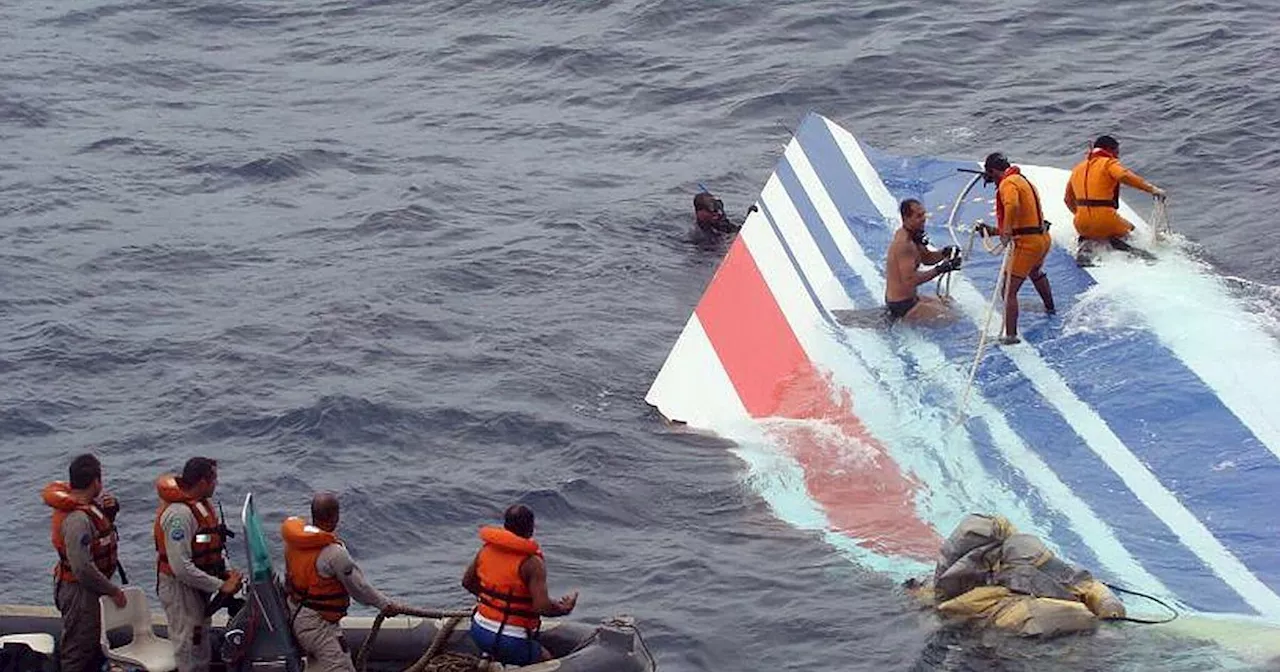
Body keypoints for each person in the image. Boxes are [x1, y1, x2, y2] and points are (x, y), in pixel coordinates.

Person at [282, 493, 408, 672]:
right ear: (335, 517)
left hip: (297, 617)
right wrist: (385, 605)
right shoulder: (334, 554)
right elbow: (359, 589)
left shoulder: (294, 545)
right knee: (341, 667)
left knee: (319, 665)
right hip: (318, 625)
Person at [154, 457, 243, 672]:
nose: (216, 484)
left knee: (199, 640)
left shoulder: (202, 508)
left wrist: (227, 571)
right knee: (188, 645)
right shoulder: (179, 515)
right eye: (214, 479)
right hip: (180, 589)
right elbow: (181, 567)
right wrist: (220, 585)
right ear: (203, 482)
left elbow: (209, 543)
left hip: (199, 585)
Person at [461, 505, 577, 666]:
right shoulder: (532, 562)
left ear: (505, 525)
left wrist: (494, 602)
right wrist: (564, 609)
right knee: (547, 662)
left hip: (478, 631)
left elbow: (467, 582)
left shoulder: (486, 549)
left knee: (507, 647)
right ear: (531, 529)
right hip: (509, 640)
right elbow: (541, 607)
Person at [43, 454, 127, 672]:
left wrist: (110, 513)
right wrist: (113, 591)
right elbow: (82, 567)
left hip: (90, 589)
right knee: (77, 650)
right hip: (79, 592)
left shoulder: (90, 508)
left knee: (91, 646)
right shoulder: (77, 520)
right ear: (96, 482)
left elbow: (99, 536)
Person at [978, 153, 1056, 345]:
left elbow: (1012, 205)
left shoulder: (1008, 184)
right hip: (1042, 239)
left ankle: (1010, 336)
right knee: (1035, 272)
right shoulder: (1022, 180)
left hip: (1027, 245)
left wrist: (1004, 233)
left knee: (1008, 290)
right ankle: (1050, 308)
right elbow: (1024, 223)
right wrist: (994, 231)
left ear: (994, 171)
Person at [1064, 135, 1166, 264]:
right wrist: (1152, 189)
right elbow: (1123, 175)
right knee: (1132, 230)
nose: (1117, 157)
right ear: (1109, 150)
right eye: (1117, 153)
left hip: (1080, 224)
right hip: (1106, 221)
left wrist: (1083, 215)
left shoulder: (1077, 169)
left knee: (1092, 232)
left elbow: (1067, 199)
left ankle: (1086, 245)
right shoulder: (1108, 163)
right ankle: (1121, 244)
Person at [885, 198, 962, 323]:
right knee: (952, 318)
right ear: (906, 218)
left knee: (948, 302)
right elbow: (910, 281)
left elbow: (927, 258)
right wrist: (940, 269)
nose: (924, 219)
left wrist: (944, 253)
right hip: (902, 305)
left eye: (924, 214)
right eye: (919, 216)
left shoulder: (914, 235)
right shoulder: (904, 244)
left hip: (911, 298)